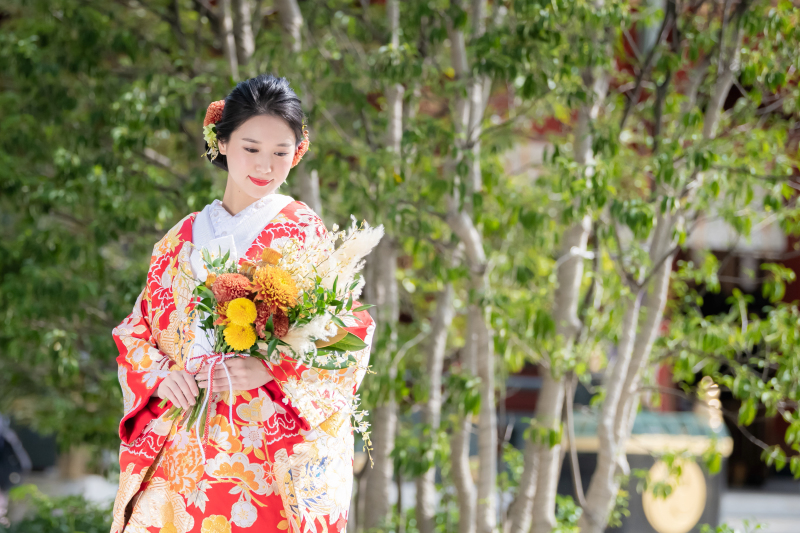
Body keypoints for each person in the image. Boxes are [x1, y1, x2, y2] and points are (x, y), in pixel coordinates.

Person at [110, 74, 375, 533]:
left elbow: (347, 332)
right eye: (251, 148)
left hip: (262, 442)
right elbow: (139, 327)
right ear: (222, 141)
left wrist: (274, 369)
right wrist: (160, 376)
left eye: (281, 152)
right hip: (184, 440)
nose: (266, 166)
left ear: (297, 151)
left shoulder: (303, 232)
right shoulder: (179, 238)